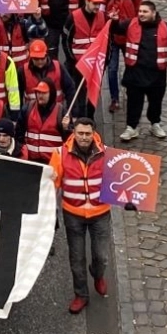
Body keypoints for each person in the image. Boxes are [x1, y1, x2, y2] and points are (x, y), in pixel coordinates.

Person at [52, 118, 112, 315]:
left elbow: (121, 183)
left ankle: (98, 273)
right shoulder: (60, 155)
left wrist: (129, 200)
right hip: (73, 214)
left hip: (100, 213)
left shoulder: (108, 154)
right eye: (80, 133)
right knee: (76, 258)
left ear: (93, 133)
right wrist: (50, 211)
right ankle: (81, 295)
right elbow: (51, 187)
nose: (84, 137)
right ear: (74, 133)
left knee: (101, 256)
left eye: (87, 134)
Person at [117, 0, 167, 141]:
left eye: (145, 12)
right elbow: (115, 30)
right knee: (134, 102)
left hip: (157, 76)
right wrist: (114, 21)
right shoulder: (130, 24)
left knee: (156, 102)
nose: (141, 14)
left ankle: (155, 123)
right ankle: (131, 127)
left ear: (153, 13)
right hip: (134, 74)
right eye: (140, 11)